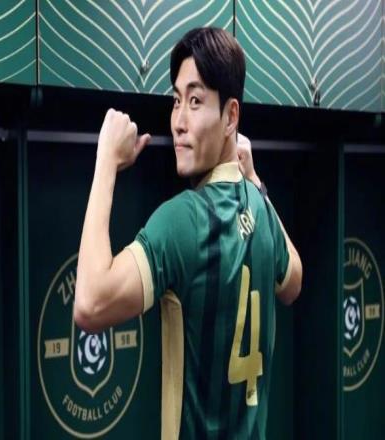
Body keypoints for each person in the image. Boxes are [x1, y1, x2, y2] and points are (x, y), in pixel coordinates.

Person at [74, 27, 302, 439]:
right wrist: (255, 182)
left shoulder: (181, 220)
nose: (179, 122)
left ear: (231, 116)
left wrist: (105, 160)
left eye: (195, 102)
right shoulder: (262, 210)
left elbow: (90, 305)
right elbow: (294, 282)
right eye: (177, 101)